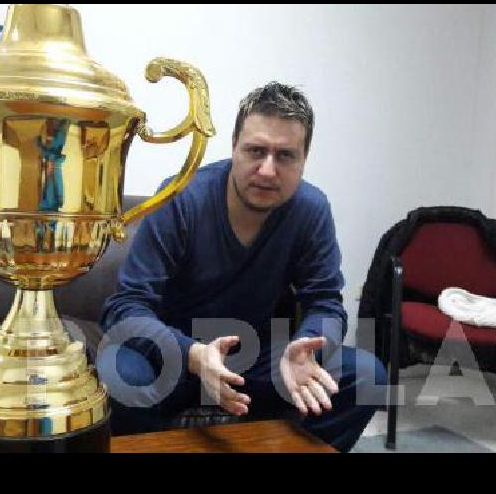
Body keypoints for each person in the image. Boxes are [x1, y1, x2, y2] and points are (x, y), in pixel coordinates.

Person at [97, 82, 387, 452]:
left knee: (365, 376)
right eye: (255, 151)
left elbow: (325, 302)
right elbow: (126, 308)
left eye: (285, 156)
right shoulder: (180, 199)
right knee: (116, 373)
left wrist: (306, 346)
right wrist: (193, 355)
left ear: (304, 159)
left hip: (257, 360)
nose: (267, 170)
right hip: (172, 356)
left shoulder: (311, 210)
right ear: (234, 146)